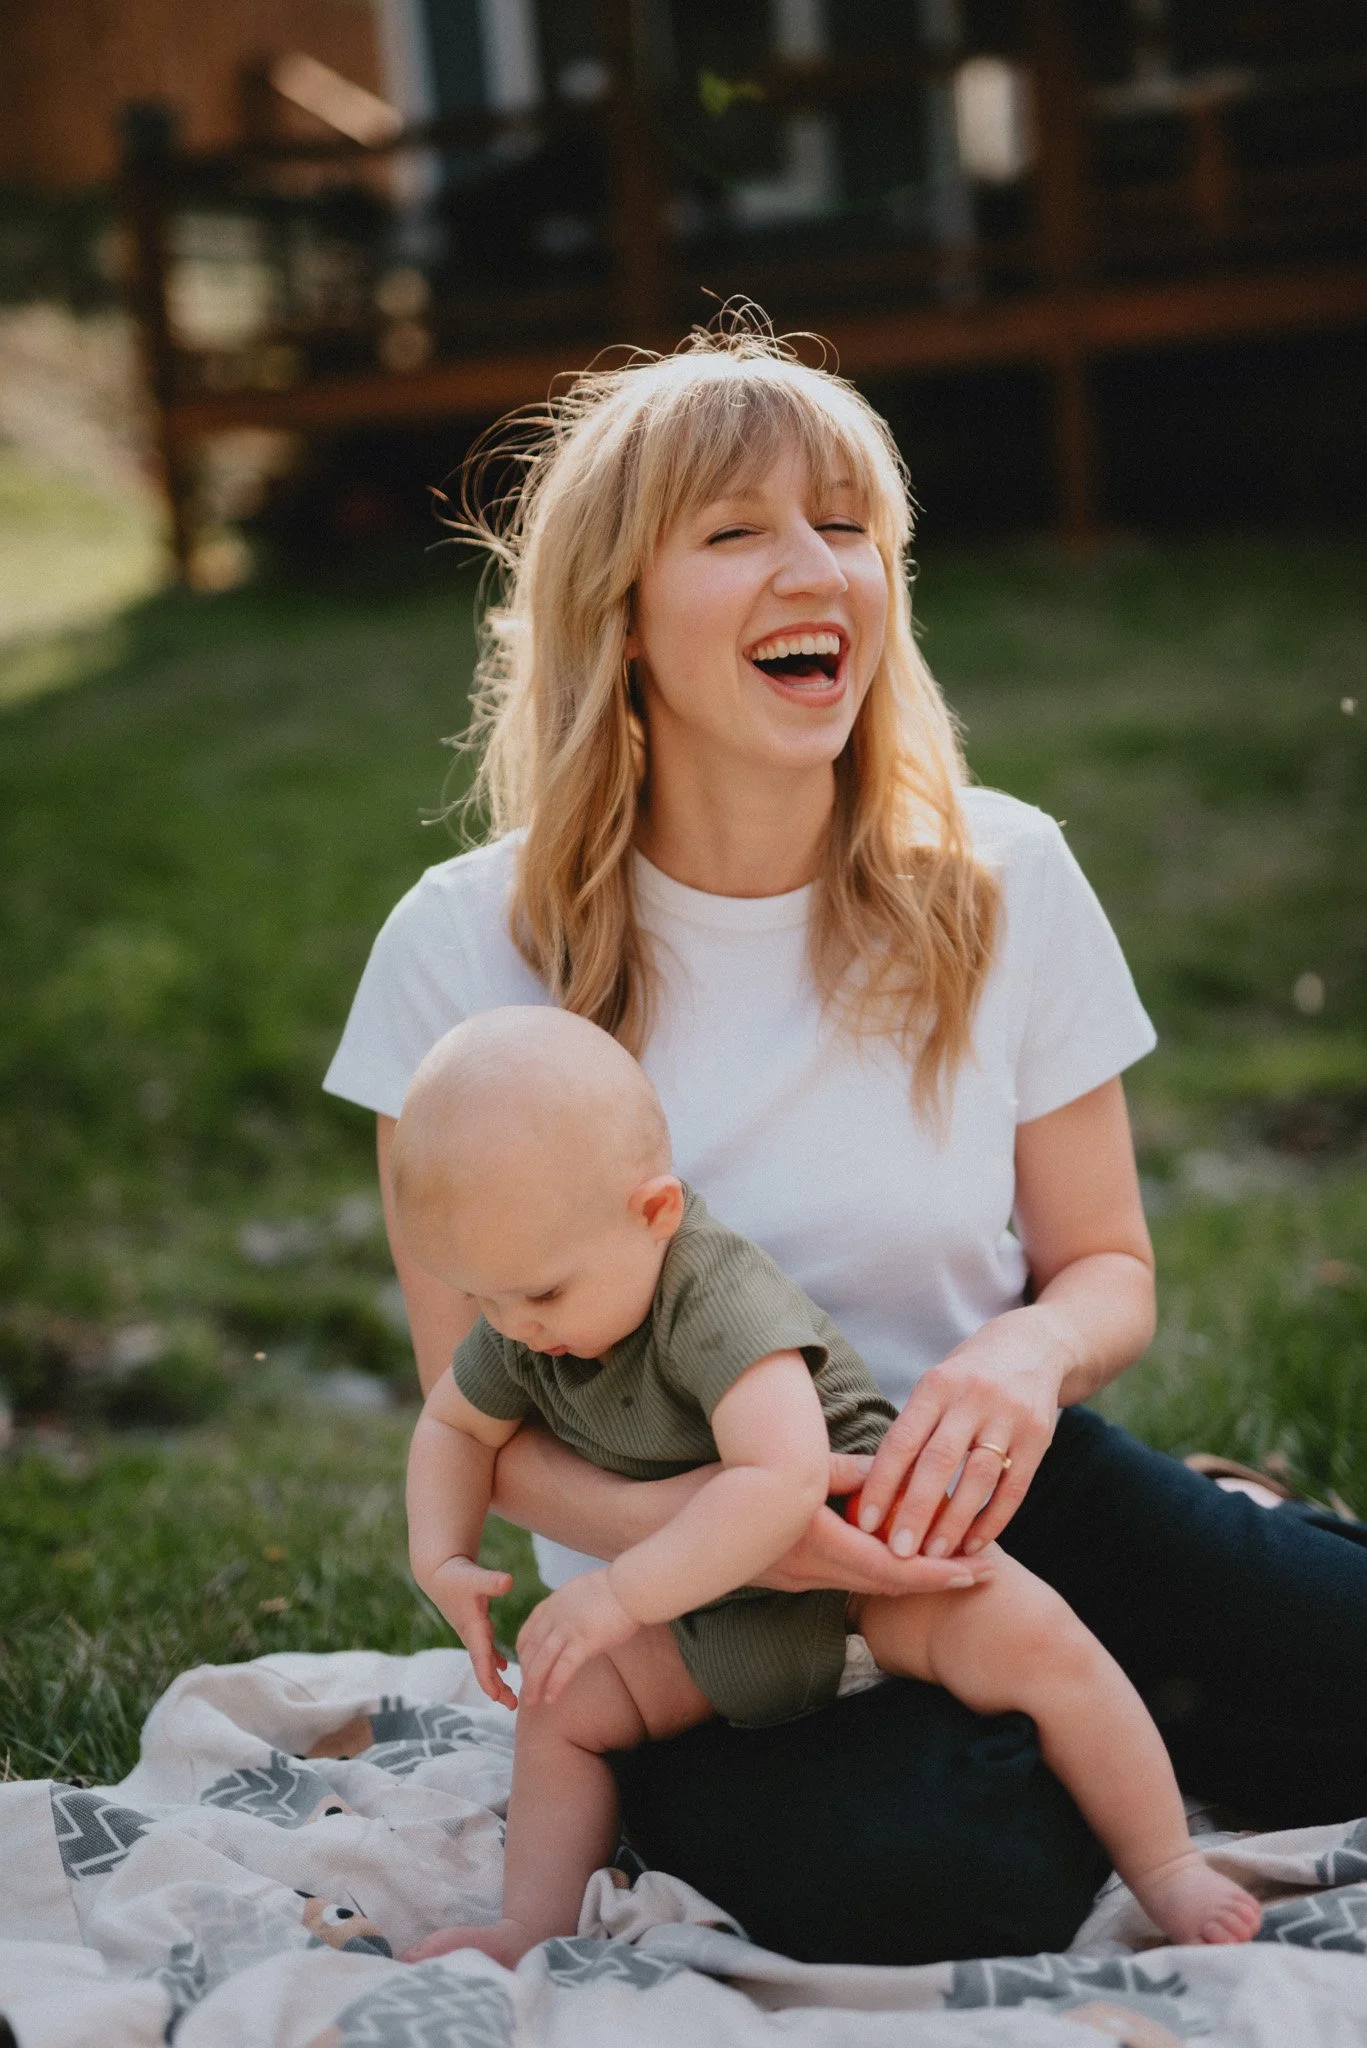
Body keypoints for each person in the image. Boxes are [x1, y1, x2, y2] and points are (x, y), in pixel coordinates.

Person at [325, 320, 1367, 1965]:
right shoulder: (465, 949)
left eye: (846, 524)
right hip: (703, 1584)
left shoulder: (1003, 873)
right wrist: (759, 1523)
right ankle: (1083, 1711)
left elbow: (1105, 1265)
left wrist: (1024, 1357)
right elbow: (488, 1409)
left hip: (1004, 1494)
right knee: (948, 1884)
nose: (813, 567)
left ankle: (1197, 1582)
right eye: (736, 532)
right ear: (621, 615)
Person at [389, 1006, 1260, 1963]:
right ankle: (530, 1922)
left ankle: (1167, 1865)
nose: (515, 1329)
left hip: (876, 1564)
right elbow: (452, 1422)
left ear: (655, 1214)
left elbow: (785, 1478)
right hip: (717, 1619)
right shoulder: (528, 1311)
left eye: (540, 1295)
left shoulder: (711, 1296)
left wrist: (622, 1591)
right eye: (483, 1299)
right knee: (563, 1705)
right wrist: (442, 1556)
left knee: (1047, 1647)